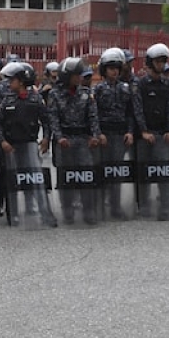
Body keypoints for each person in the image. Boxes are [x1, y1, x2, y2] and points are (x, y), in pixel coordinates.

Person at [0, 62, 57, 227]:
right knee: (13, 182)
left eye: (12, 80)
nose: (9, 83)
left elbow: (46, 121)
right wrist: (2, 141)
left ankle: (43, 213)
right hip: (11, 148)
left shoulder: (35, 99)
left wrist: (46, 139)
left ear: (21, 81)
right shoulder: (7, 100)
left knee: (35, 179)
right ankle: (13, 215)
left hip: (29, 145)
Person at [49, 57, 102, 225]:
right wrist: (59, 138)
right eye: (76, 75)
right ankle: (68, 211)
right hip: (64, 141)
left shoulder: (86, 93)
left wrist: (95, 135)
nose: (80, 78)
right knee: (66, 177)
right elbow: (53, 118)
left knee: (86, 175)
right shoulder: (54, 94)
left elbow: (93, 117)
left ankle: (89, 211)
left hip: (82, 141)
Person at [95, 47, 144, 220]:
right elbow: (94, 114)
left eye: (117, 68)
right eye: (110, 68)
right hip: (104, 135)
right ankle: (99, 206)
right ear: (104, 70)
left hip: (120, 134)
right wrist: (98, 133)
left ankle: (115, 206)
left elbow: (130, 113)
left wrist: (130, 132)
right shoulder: (98, 90)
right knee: (101, 171)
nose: (114, 71)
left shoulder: (126, 88)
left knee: (116, 172)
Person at [137, 43, 169, 220]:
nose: (161, 64)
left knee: (164, 171)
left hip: (162, 135)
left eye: (163, 61)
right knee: (143, 171)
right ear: (149, 62)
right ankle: (144, 205)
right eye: (157, 61)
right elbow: (137, 109)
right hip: (145, 135)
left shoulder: (168, 84)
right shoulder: (140, 85)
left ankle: (165, 207)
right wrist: (143, 131)